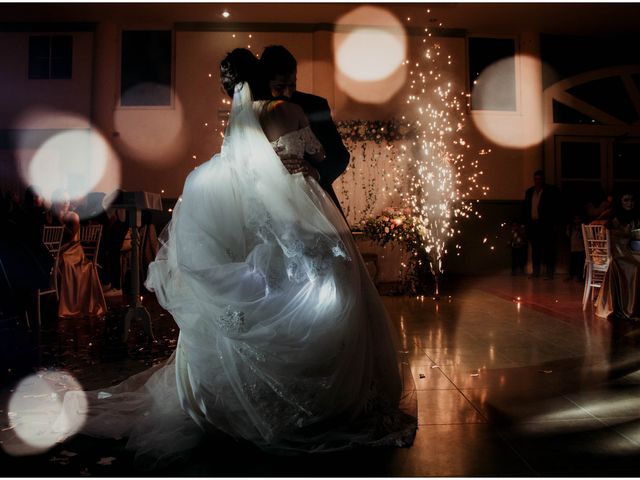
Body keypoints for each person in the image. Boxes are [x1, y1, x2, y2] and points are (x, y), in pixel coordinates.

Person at [39, 48, 415, 467]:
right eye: (279, 80)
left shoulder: (274, 114)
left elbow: (334, 157)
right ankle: (299, 396)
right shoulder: (277, 113)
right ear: (264, 79)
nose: (287, 87)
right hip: (275, 212)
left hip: (305, 204)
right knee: (302, 289)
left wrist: (309, 173)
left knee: (314, 290)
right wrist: (296, 169)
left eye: (290, 79)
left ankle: (296, 392)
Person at [260, 45, 350, 214]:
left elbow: (340, 155)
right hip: (268, 202)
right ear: (265, 81)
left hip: (315, 203)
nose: (287, 93)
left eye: (292, 85)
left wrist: (316, 172)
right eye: (279, 87)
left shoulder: (315, 105)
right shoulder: (253, 111)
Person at [50, 189, 107, 318]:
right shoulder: (51, 215)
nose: (66, 202)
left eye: (67, 200)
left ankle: (69, 304)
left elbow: (70, 238)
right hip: (58, 249)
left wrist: (60, 221)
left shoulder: (72, 216)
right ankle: (53, 299)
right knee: (56, 259)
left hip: (73, 250)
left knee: (64, 262)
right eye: (62, 200)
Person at [523, 170, 560, 279]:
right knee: (535, 249)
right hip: (533, 224)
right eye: (536, 179)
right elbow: (526, 208)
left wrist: (554, 223)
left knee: (548, 249)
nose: (538, 181)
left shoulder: (550, 191)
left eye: (540, 179)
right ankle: (536, 271)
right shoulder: (529, 192)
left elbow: (554, 208)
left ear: (543, 180)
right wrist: (526, 224)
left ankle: (549, 272)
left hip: (545, 224)